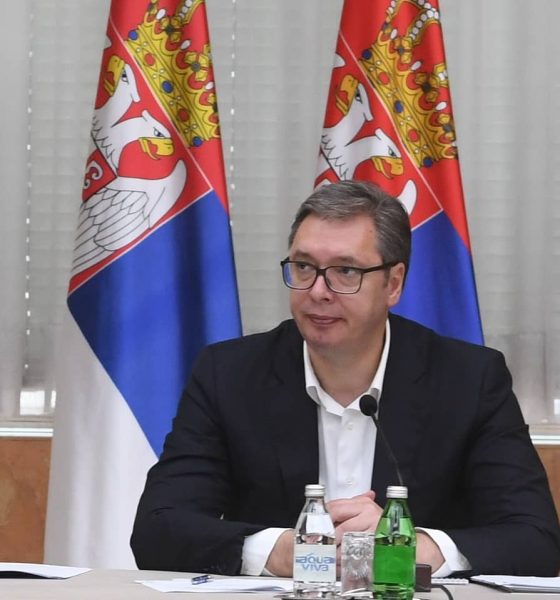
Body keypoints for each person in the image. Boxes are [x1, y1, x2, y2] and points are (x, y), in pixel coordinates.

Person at [131, 180, 560, 577]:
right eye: (304, 267)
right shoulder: (230, 374)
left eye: (346, 271)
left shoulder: (468, 380)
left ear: (393, 284)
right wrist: (281, 551)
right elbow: (157, 529)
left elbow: (536, 539)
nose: (318, 290)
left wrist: (411, 548)